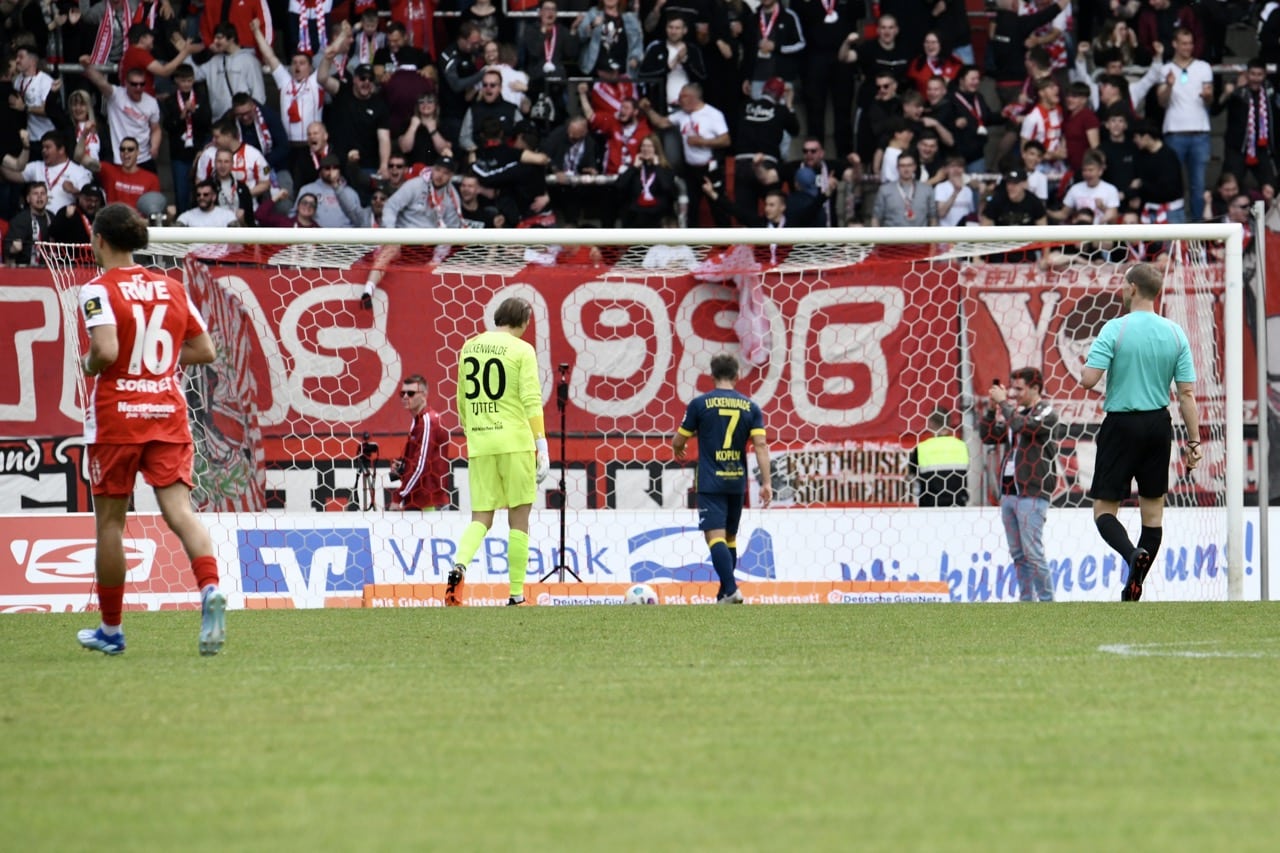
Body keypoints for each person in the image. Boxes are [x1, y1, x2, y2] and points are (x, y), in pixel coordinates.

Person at [75, 203, 225, 655]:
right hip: (166, 413)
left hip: (118, 419)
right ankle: (209, 588)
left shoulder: (96, 289)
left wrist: (90, 364)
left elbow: (104, 348)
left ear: (100, 240)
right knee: (180, 512)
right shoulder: (171, 287)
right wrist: (158, 364)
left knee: (111, 526)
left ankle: (112, 630)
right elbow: (207, 350)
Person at [1080, 263, 1202, 602]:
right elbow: (1187, 394)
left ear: (1132, 288)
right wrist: (1194, 442)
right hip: (1157, 426)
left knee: (1104, 511)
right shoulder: (1176, 333)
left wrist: (1085, 369)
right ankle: (1134, 587)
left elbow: (1089, 379)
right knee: (1153, 513)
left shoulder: (1115, 329)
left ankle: (1132, 555)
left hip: (1121, 423)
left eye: (1123, 284)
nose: (1121, 289)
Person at [445, 297, 550, 607]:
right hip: (515, 442)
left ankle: (459, 565)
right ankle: (516, 594)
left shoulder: (470, 346)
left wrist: (473, 432)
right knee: (519, 519)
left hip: (479, 442)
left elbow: (461, 398)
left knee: (481, 517)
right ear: (523, 323)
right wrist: (540, 446)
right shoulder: (522, 350)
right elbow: (531, 398)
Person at [672, 353, 772, 604]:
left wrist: (677, 447)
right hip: (736, 480)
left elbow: (679, 439)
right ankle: (723, 594)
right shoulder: (751, 407)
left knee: (714, 536)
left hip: (710, 480)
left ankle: (730, 589)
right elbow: (760, 445)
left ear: (712, 376)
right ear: (738, 376)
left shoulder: (700, 404)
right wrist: (767, 482)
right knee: (729, 537)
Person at [981, 369, 1059, 603]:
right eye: (1011, 389)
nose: (1013, 393)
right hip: (1009, 493)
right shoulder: (1014, 415)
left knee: (1033, 553)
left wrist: (1004, 403)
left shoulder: (1046, 411)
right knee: (1018, 554)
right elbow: (988, 436)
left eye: (1019, 389)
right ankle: (1026, 601)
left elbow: (1025, 427)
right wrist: (990, 410)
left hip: (1032, 492)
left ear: (1035, 389)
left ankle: (1047, 603)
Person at [389, 374, 450, 511]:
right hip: (419, 500)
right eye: (402, 393)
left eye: (410, 393)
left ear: (424, 395)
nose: (405, 397)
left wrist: (398, 497)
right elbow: (420, 462)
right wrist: (404, 468)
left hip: (428, 502)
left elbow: (421, 465)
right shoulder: (418, 421)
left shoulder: (429, 421)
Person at [907, 407, 969, 507]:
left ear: (930, 423)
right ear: (949, 423)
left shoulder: (922, 448)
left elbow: (912, 475)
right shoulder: (962, 446)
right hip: (957, 504)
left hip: (930, 506)